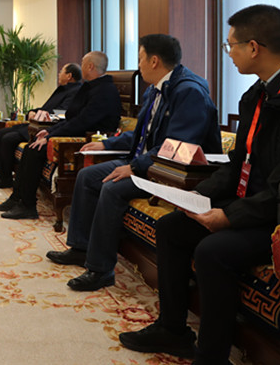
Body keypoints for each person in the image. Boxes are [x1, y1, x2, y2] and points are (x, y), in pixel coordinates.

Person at [119, 5, 280, 364]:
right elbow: (238, 164)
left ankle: (211, 356)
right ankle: (173, 329)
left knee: (212, 250)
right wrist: (197, 195)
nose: (228, 52)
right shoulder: (258, 94)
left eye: (230, 45)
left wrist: (230, 216)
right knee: (172, 227)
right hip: (250, 203)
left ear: (253, 47)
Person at [46, 34, 221, 292]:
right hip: (145, 161)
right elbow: (141, 136)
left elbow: (177, 147)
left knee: (112, 187)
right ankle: (81, 248)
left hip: (169, 171)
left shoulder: (188, 92)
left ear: (154, 61)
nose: (138, 65)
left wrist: (135, 168)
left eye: (140, 59)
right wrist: (107, 144)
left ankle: (100, 270)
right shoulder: (154, 90)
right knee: (87, 175)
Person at [0, 51, 120, 220]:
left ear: (90, 66)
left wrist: (50, 138)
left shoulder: (105, 90)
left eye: (83, 63)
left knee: (34, 150)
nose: (81, 66)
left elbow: (82, 122)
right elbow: (72, 118)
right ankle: (17, 198)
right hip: (74, 133)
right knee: (31, 146)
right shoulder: (89, 87)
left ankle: (27, 205)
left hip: (85, 141)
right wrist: (49, 132)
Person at [0, 63, 83, 189]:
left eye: (61, 71)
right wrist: (33, 111)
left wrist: (40, 115)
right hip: (36, 124)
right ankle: (1, 175)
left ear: (69, 76)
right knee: (1, 133)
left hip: (45, 127)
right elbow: (46, 107)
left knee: (8, 138)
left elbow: (60, 113)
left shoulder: (76, 91)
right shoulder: (62, 89)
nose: (59, 74)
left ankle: (5, 178)